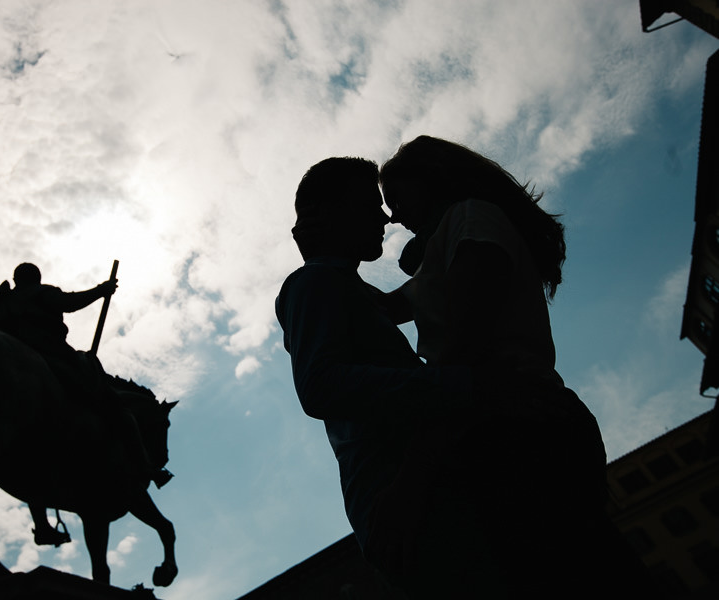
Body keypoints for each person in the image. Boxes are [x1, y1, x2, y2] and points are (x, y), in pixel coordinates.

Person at [376, 135, 659, 598]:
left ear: (432, 181)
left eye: (398, 199)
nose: (393, 216)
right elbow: (390, 307)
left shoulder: (471, 218)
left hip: (524, 427)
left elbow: (465, 354)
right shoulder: (445, 245)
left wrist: (414, 473)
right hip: (510, 424)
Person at [275, 157, 473, 594]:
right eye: (368, 204)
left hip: (415, 491)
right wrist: (449, 385)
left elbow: (400, 302)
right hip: (401, 499)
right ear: (332, 213)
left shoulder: (345, 289)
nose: (384, 216)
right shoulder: (314, 284)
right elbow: (319, 385)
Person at [0, 263, 172, 546]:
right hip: (50, 356)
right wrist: (101, 290)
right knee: (113, 405)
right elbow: (69, 303)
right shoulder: (40, 293)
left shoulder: (3, 301)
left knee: (32, 454)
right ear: (36, 278)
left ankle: (41, 525)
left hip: (16, 364)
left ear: (15, 279)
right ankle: (145, 467)